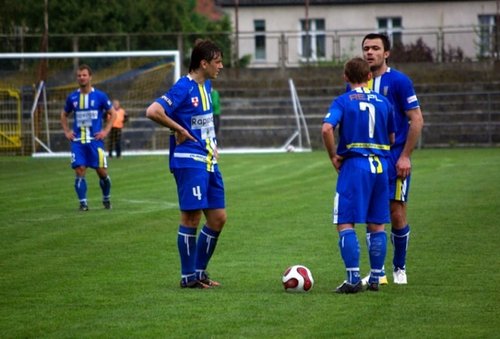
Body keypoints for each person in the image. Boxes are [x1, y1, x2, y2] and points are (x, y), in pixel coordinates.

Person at [145, 39, 225, 289]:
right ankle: (188, 277)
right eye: (217, 62)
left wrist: (212, 144)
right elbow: (153, 111)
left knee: (218, 218)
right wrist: (178, 129)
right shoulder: (183, 87)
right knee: (191, 218)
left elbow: (203, 122)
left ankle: (199, 272)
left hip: (209, 160)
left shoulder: (207, 84)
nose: (221, 66)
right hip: (189, 160)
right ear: (203, 64)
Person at [322, 57, 395, 293]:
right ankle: (375, 277)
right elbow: (392, 138)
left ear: (345, 77)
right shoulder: (384, 102)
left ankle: (353, 278)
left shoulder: (343, 101)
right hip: (381, 166)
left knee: (345, 221)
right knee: (377, 224)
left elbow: (326, 128)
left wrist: (334, 155)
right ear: (369, 76)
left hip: (356, 165)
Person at [358, 33, 424, 285]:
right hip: (367, 161)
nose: (369, 53)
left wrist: (405, 156)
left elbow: (416, 119)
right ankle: (377, 272)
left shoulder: (399, 81)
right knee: (372, 214)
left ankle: (399, 268)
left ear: (386, 53)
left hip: (394, 158)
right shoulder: (356, 83)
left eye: (375, 48)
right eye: (366, 48)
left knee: (396, 212)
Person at [60, 64, 116, 211]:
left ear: (90, 77)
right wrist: (67, 131)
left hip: (95, 141)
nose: (81, 78)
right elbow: (64, 114)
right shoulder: (72, 97)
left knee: (102, 172)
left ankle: (106, 198)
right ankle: (83, 203)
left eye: (84, 75)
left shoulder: (100, 96)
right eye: (79, 75)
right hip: (78, 141)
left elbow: (113, 113)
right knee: (79, 170)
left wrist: (105, 130)